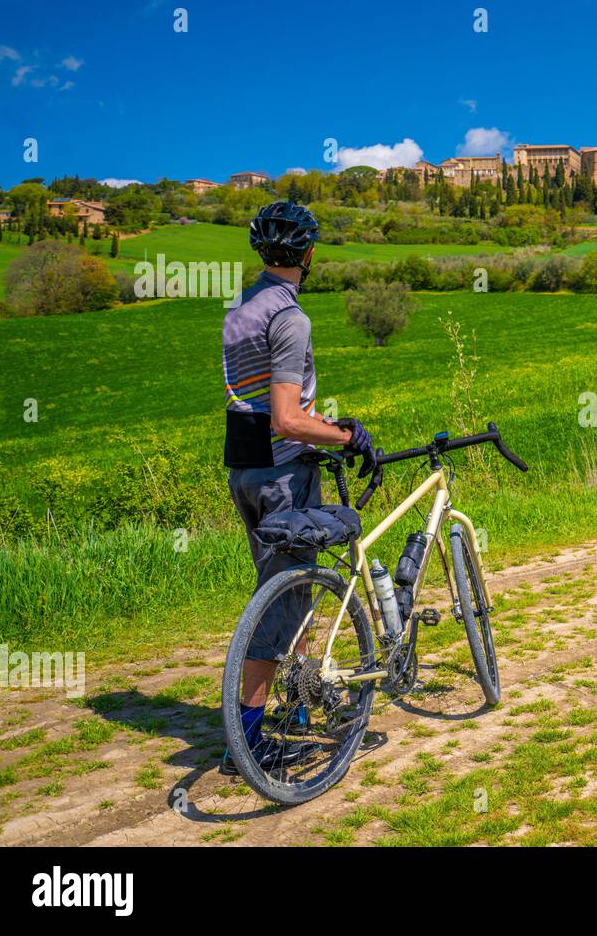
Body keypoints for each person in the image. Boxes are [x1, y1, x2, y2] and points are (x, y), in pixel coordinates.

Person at [220, 201, 375, 774]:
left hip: (246, 467)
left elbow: (253, 403)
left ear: (262, 253)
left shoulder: (238, 306)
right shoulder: (291, 318)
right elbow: (286, 416)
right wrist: (344, 434)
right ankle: (251, 745)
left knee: (293, 592)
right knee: (284, 603)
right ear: (309, 254)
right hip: (284, 472)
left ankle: (301, 711)